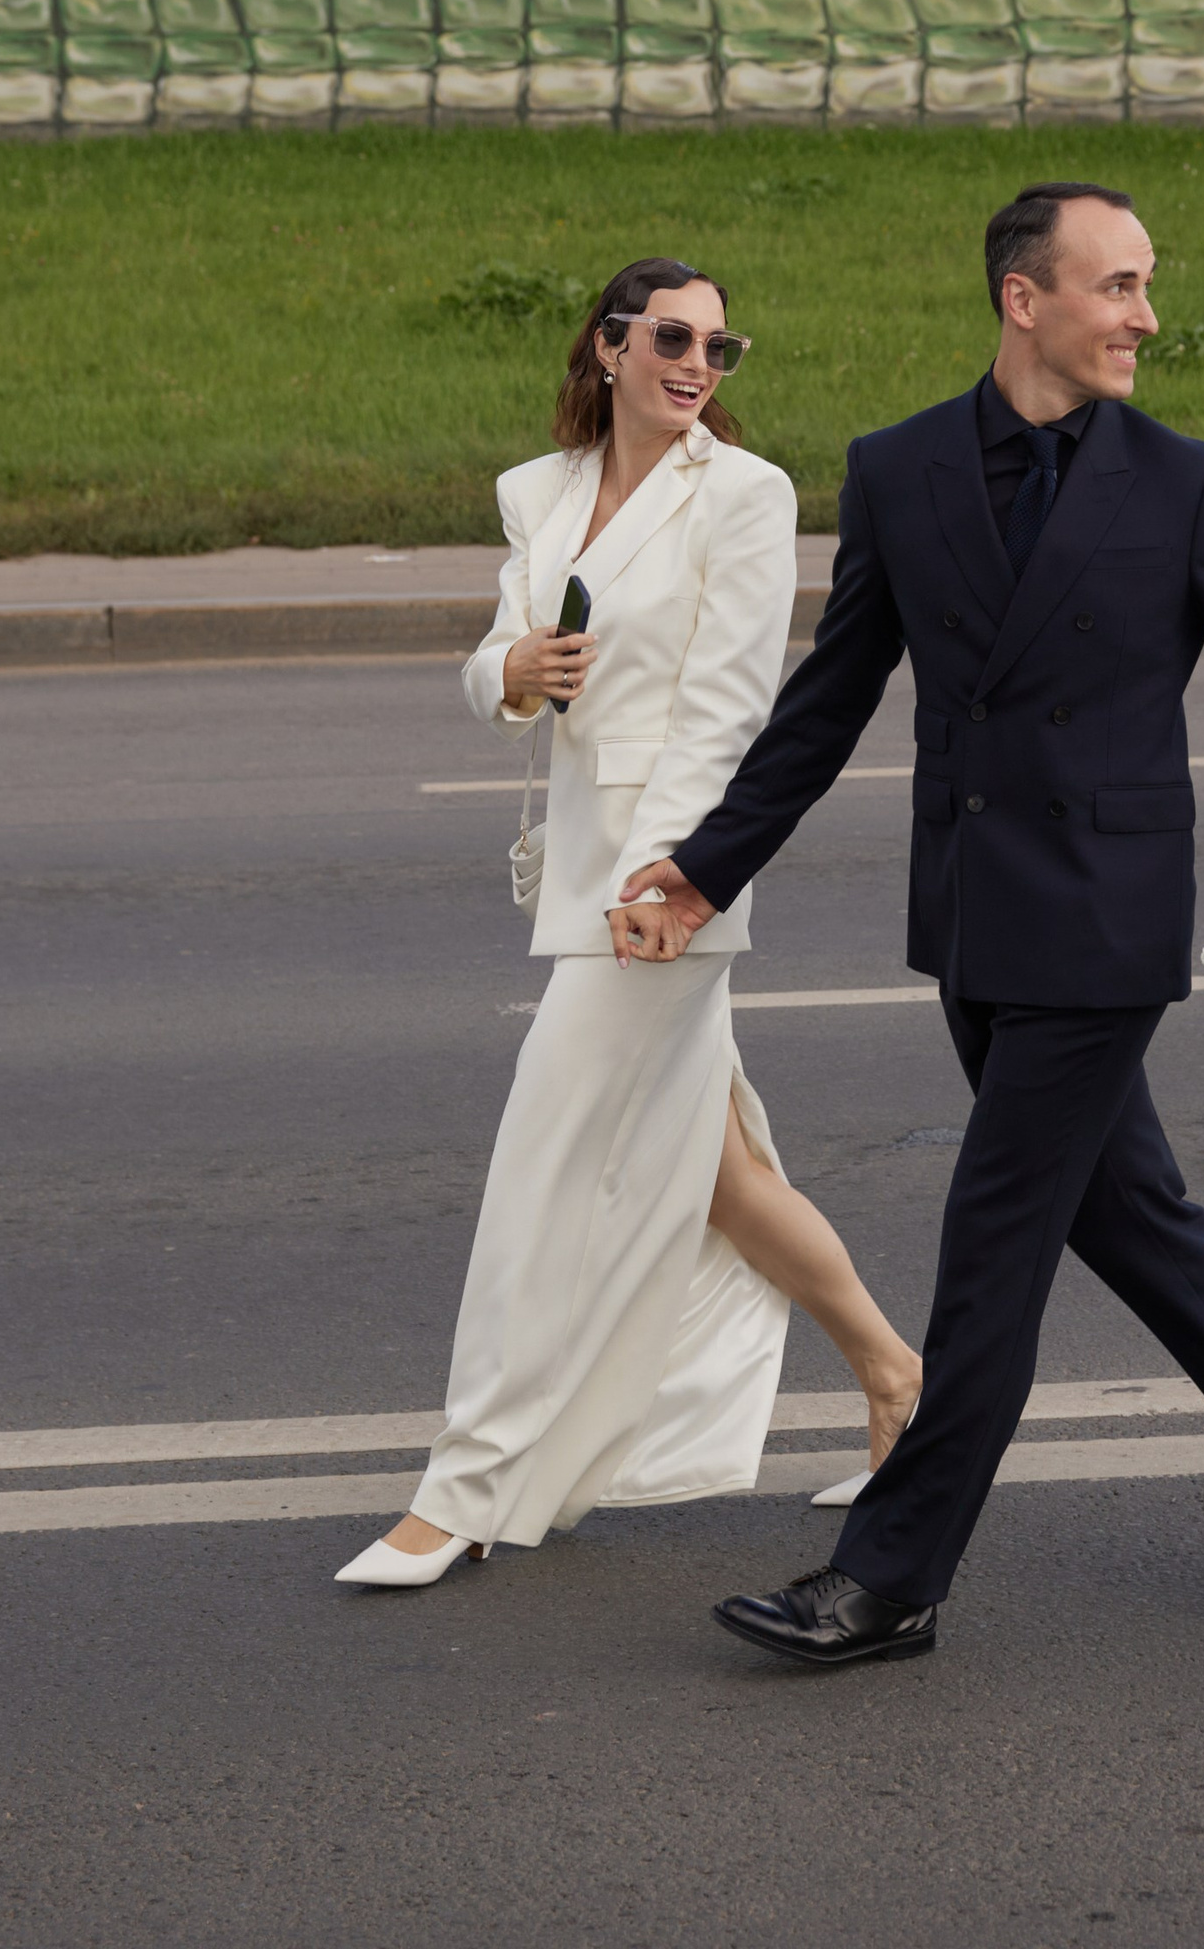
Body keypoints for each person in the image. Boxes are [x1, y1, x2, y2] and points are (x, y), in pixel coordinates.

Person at [615, 183, 1204, 1668]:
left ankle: (891, 1576)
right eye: (1118, 286)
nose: (1147, 317)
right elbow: (829, 704)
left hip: (1103, 935)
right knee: (1135, 1218)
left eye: (1147, 284)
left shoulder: (1184, 483)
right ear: (1022, 298)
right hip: (977, 928)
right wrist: (710, 865)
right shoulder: (904, 471)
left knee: (991, 1249)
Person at [336, 255, 920, 1589]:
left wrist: (675, 881)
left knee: (541, 1162)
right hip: (582, 883)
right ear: (609, 345)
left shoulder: (748, 496)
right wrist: (513, 673)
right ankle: (901, 1380)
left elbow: (727, 709)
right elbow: (497, 658)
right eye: (673, 334)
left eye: (722, 345)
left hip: (663, 895)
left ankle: (466, 1485)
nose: (699, 362)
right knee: (719, 1178)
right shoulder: (538, 493)